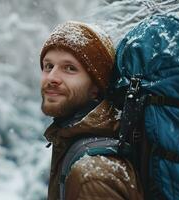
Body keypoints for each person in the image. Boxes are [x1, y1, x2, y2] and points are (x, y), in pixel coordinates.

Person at [39, 21, 143, 200]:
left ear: (96, 86)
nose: (52, 77)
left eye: (69, 68)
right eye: (48, 66)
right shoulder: (75, 142)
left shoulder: (93, 175)